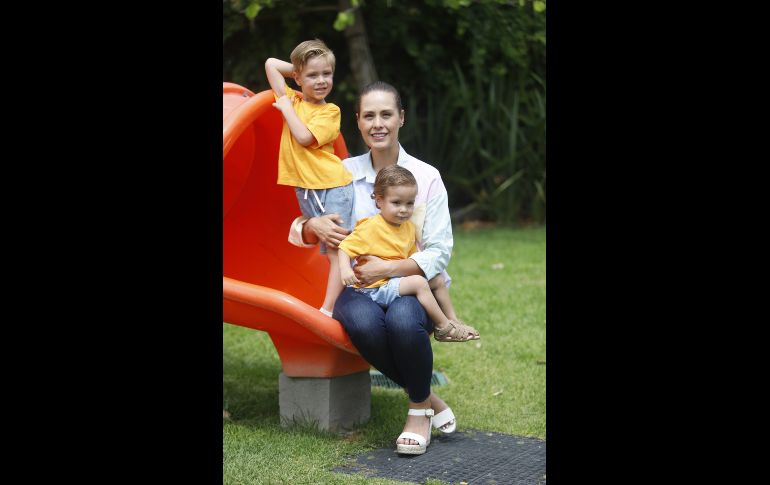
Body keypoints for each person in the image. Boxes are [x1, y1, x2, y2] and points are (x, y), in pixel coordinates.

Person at [288, 81, 480, 455]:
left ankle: (416, 413)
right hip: (357, 287)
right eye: (369, 115)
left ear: (401, 119)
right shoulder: (339, 172)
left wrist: (388, 269)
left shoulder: (426, 178)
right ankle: (427, 399)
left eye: (387, 114)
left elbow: (439, 252)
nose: (379, 123)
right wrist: (311, 226)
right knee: (361, 322)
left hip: (410, 283)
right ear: (358, 122)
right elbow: (299, 224)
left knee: (404, 322)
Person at [338, 165, 480, 343]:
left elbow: (412, 256)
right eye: (396, 203)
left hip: (393, 280)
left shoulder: (408, 227)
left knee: (437, 279)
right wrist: (345, 269)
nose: (404, 209)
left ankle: (453, 320)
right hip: (374, 287)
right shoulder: (371, 227)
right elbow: (344, 247)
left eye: (409, 203)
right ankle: (443, 327)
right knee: (419, 283)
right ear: (379, 201)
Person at [265, 39, 354, 317]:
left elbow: (303, 138)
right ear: (299, 77)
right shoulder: (293, 98)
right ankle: (335, 303)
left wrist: (288, 109)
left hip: (331, 185)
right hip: (308, 188)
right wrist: (301, 68)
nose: (321, 81)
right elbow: (270, 64)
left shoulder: (330, 111)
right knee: (328, 248)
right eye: (312, 75)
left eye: (326, 74)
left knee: (338, 250)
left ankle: (328, 309)